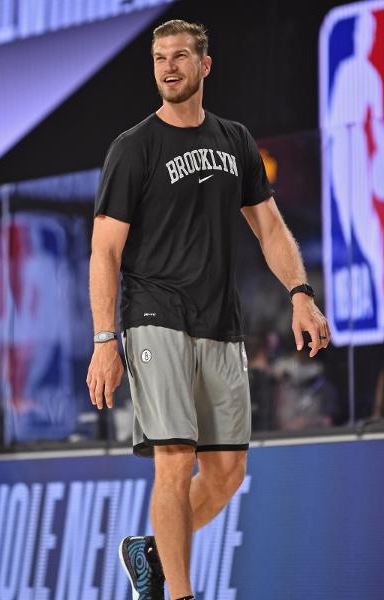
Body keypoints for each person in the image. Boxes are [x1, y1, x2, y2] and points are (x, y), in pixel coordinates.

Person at [86, 19, 330, 600]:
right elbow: (104, 250)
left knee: (225, 475)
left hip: (221, 323)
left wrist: (301, 295)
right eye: (159, 58)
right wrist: (103, 340)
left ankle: (149, 552)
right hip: (153, 316)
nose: (168, 67)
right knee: (175, 459)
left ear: (204, 65)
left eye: (179, 57)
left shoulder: (235, 141)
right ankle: (181, 594)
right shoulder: (134, 148)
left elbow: (269, 228)